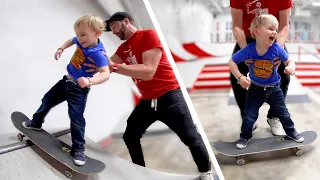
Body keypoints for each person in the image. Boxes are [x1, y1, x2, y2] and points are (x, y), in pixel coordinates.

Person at [84, 12, 214, 179]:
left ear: (126, 21)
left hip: (170, 95)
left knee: (190, 136)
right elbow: (105, 67)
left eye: (115, 26)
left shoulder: (148, 35)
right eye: (111, 30)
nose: (114, 32)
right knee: (130, 135)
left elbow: (148, 72)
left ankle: (206, 173)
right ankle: (141, 172)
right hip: (149, 100)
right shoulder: (123, 48)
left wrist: (114, 67)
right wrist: (85, 67)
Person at [21, 14, 110, 166]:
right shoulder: (81, 40)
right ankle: (36, 122)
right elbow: (71, 40)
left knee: (76, 119)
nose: (79, 38)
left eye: (83, 35)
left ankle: (79, 149)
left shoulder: (98, 53)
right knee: (47, 100)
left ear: (97, 33)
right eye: (78, 34)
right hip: (65, 81)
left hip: (79, 90)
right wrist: (61, 48)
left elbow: (106, 73)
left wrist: (90, 80)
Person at [228, 14, 304, 149]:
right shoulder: (249, 50)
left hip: (274, 89)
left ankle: (292, 132)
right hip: (255, 90)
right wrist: (240, 77)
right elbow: (232, 62)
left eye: (276, 29)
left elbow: (289, 60)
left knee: (284, 114)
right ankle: (244, 137)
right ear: (256, 31)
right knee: (249, 116)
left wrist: (291, 66)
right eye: (270, 29)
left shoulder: (277, 49)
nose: (274, 32)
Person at [230, 0, 293, 136]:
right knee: (236, 78)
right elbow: (237, 25)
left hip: (273, 39)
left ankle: (274, 117)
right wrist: (245, 49)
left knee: (284, 78)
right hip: (247, 39)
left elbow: (284, 25)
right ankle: (247, 117)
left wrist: (278, 49)